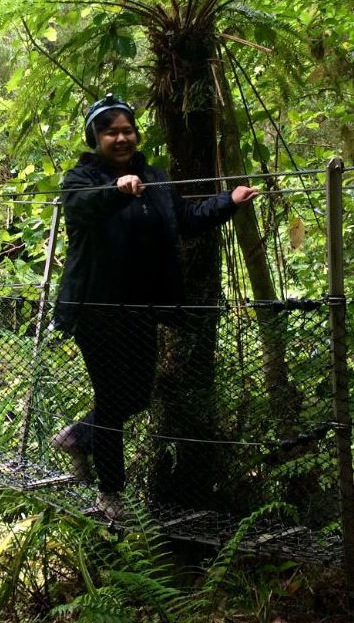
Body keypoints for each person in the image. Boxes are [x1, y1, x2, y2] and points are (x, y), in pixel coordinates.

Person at [52, 94, 259, 522]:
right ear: (95, 137)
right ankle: (110, 496)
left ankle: (77, 437)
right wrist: (116, 190)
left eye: (127, 130)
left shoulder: (153, 177)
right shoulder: (80, 179)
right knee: (111, 399)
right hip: (97, 309)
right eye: (111, 132)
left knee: (138, 394)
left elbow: (183, 217)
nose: (121, 138)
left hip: (142, 309)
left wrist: (229, 201)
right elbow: (83, 208)